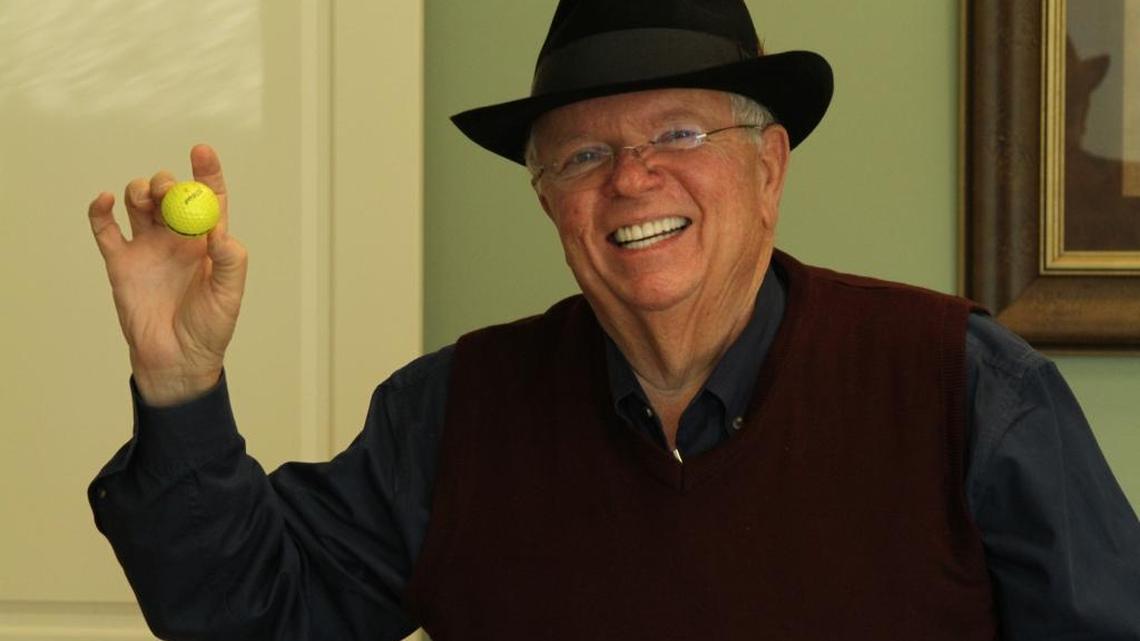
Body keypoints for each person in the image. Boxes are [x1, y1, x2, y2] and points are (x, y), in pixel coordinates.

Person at [87, 0, 1140, 639]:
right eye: (584, 154)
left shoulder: (961, 386)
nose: (633, 177)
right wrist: (179, 380)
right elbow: (251, 613)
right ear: (550, 198)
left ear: (767, 170)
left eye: (678, 131)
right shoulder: (452, 414)